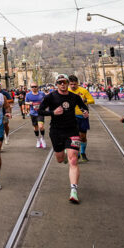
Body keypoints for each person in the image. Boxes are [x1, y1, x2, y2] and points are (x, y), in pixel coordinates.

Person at [38, 74, 89, 204]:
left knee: (73, 160)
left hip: (72, 130)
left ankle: (74, 190)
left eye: (64, 82)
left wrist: (85, 111)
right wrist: (52, 113)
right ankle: (65, 152)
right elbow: (40, 111)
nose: (62, 84)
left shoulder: (74, 97)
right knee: (60, 159)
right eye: (60, 82)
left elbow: (83, 106)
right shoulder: (50, 97)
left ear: (67, 83)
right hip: (56, 131)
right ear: (56, 84)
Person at [68, 75, 95, 162]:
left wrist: (84, 100)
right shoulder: (67, 91)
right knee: (75, 137)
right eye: (71, 84)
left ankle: (83, 153)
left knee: (83, 136)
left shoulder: (83, 90)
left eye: (74, 84)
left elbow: (92, 100)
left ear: (77, 83)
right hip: (72, 116)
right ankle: (77, 154)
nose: (73, 86)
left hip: (82, 116)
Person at [25, 84, 46, 148]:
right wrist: (30, 103)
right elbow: (25, 102)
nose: (34, 88)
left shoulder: (42, 93)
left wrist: (44, 105)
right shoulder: (28, 94)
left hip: (40, 113)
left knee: (41, 126)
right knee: (35, 127)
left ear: (37, 87)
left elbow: (46, 100)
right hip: (33, 113)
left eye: (35, 86)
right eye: (32, 87)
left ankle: (42, 138)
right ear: (31, 88)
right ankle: (38, 140)